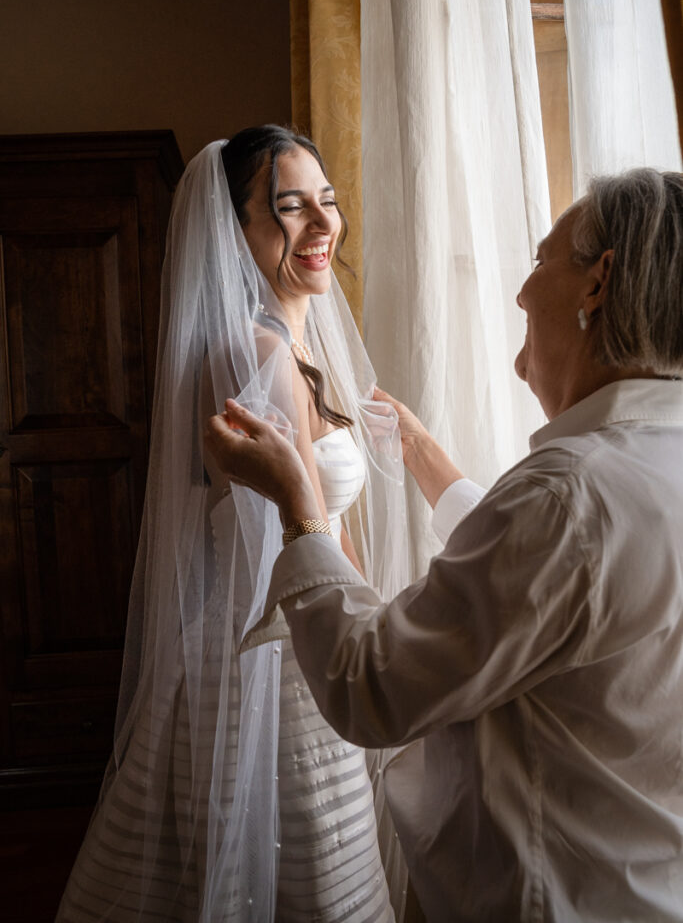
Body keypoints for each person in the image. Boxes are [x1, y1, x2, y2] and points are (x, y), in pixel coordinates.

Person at [206, 168, 683, 922]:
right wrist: (428, 461)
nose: (522, 293)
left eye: (541, 259)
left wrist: (300, 508)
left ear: (599, 281)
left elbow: (370, 689)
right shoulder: (639, 469)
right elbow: (562, 592)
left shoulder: (567, 495)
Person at [57, 126, 413, 922]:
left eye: (326, 201)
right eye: (288, 208)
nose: (322, 226)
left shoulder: (288, 340)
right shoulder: (256, 350)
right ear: (234, 229)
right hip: (274, 652)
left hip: (281, 621)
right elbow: (294, 523)